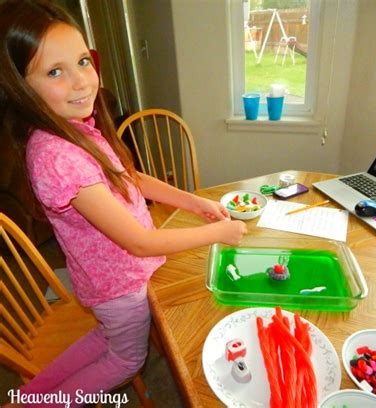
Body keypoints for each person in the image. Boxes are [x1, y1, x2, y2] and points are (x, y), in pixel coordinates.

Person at [0, 1, 247, 406]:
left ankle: (26, 397)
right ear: (21, 87)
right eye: (55, 72)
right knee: (126, 357)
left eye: (83, 61)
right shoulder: (56, 155)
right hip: (120, 285)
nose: (81, 82)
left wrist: (193, 202)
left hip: (109, 282)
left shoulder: (75, 129)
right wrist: (219, 232)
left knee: (106, 336)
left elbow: (130, 178)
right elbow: (139, 243)